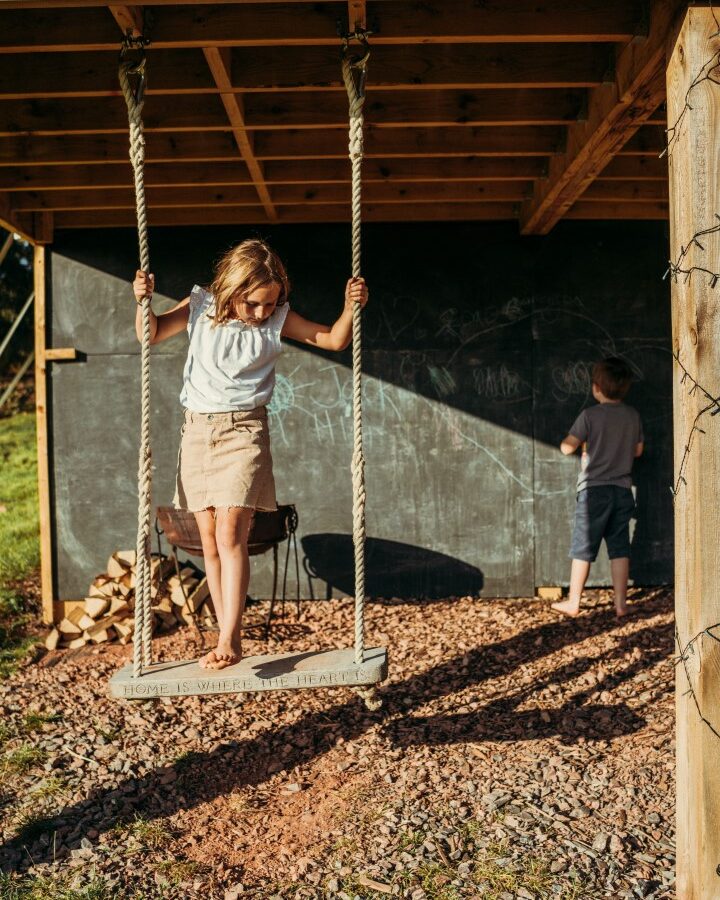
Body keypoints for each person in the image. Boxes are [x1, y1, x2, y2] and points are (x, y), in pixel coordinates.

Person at [132, 239, 368, 669]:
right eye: (254, 303)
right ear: (232, 290)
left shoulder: (278, 320)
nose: (262, 312)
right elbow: (149, 332)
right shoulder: (199, 306)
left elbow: (333, 340)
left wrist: (352, 306)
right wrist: (142, 301)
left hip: (244, 432)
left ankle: (230, 638)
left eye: (271, 302)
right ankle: (224, 636)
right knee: (208, 540)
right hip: (198, 432)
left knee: (230, 534)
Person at [551, 357, 643, 619]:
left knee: (583, 547)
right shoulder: (632, 415)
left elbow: (567, 446)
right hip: (622, 491)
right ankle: (621, 605)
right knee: (619, 548)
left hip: (594, 493)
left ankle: (574, 602)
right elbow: (638, 450)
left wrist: (577, 445)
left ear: (596, 388)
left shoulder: (589, 415)